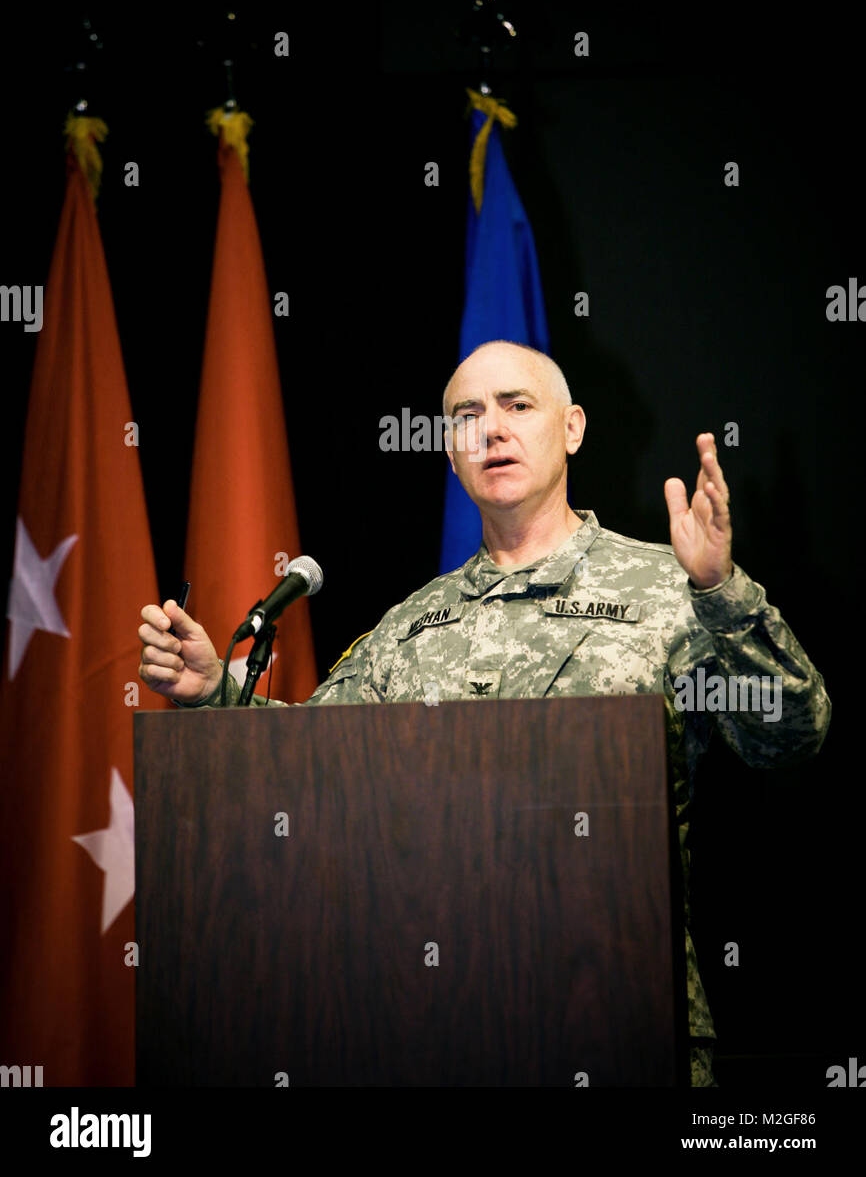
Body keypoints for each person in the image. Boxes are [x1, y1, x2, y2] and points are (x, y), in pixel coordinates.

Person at [138, 339, 831, 1088]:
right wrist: (218, 694)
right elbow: (316, 766)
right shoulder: (410, 623)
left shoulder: (669, 590)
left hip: (617, 1019)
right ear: (450, 449)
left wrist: (723, 592)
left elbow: (791, 736)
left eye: (517, 406)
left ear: (572, 429)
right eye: (467, 415)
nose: (491, 430)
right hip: (428, 1027)